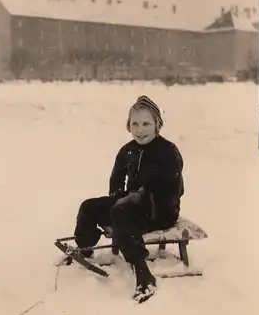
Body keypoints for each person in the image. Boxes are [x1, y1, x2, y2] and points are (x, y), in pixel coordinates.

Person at [74, 95, 184, 303]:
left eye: (146, 124)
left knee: (121, 212)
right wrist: (117, 200)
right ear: (128, 125)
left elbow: (173, 189)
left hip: (160, 209)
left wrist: (137, 201)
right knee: (89, 206)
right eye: (135, 124)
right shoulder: (127, 151)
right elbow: (116, 182)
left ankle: (143, 274)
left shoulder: (168, 151)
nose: (140, 130)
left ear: (157, 125)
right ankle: (85, 248)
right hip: (130, 205)